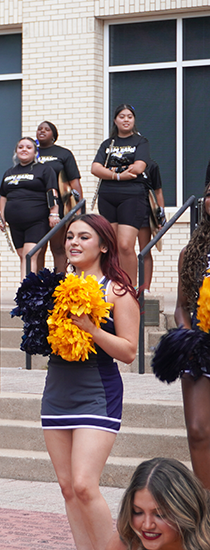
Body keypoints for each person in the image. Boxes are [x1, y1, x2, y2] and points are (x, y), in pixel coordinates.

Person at [42, 214, 139, 550]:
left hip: (97, 394)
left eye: (84, 237)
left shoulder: (118, 291)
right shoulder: (55, 288)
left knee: (84, 485)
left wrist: (92, 330)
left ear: (103, 245)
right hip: (56, 392)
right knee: (68, 488)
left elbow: (129, 351)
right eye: (70, 237)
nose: (74, 243)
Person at [170, 183, 210, 489]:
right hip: (201, 347)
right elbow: (182, 307)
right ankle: (206, 510)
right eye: (209, 193)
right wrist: (187, 337)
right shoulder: (192, 252)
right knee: (197, 429)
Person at [91, 104, 151, 286]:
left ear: (134, 120)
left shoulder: (140, 142)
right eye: (122, 116)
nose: (126, 120)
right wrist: (118, 174)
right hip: (108, 196)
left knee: (125, 245)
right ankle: (115, 284)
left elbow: (139, 167)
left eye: (129, 117)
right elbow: (95, 168)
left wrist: (109, 171)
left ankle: (130, 287)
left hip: (132, 196)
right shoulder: (107, 144)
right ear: (115, 120)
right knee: (112, 246)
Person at [111, 457, 210, 550]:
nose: (147, 525)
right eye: (137, 512)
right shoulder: (126, 540)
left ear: (185, 511)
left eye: (160, 515)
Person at [0, 137, 60, 272]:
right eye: (20, 147)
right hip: (15, 222)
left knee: (29, 255)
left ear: (35, 152)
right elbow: (3, 196)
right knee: (22, 256)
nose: (24, 150)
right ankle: (26, 289)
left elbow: (51, 191)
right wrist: (1, 216)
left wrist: (54, 213)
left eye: (28, 147)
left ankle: (25, 291)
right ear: (16, 151)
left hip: (36, 220)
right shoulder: (9, 172)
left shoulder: (44, 169)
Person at [35, 121, 84, 273]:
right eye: (39, 129)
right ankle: (38, 287)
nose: (42, 131)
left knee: (58, 246)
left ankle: (59, 283)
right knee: (38, 248)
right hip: (35, 205)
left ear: (54, 135)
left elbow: (74, 182)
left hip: (59, 207)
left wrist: (79, 208)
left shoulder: (63, 154)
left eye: (47, 129)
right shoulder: (31, 152)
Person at [137, 159, 166, 291]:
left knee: (145, 250)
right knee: (124, 249)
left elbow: (158, 191)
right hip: (123, 210)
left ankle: (145, 288)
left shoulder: (151, 165)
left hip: (144, 210)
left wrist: (161, 214)